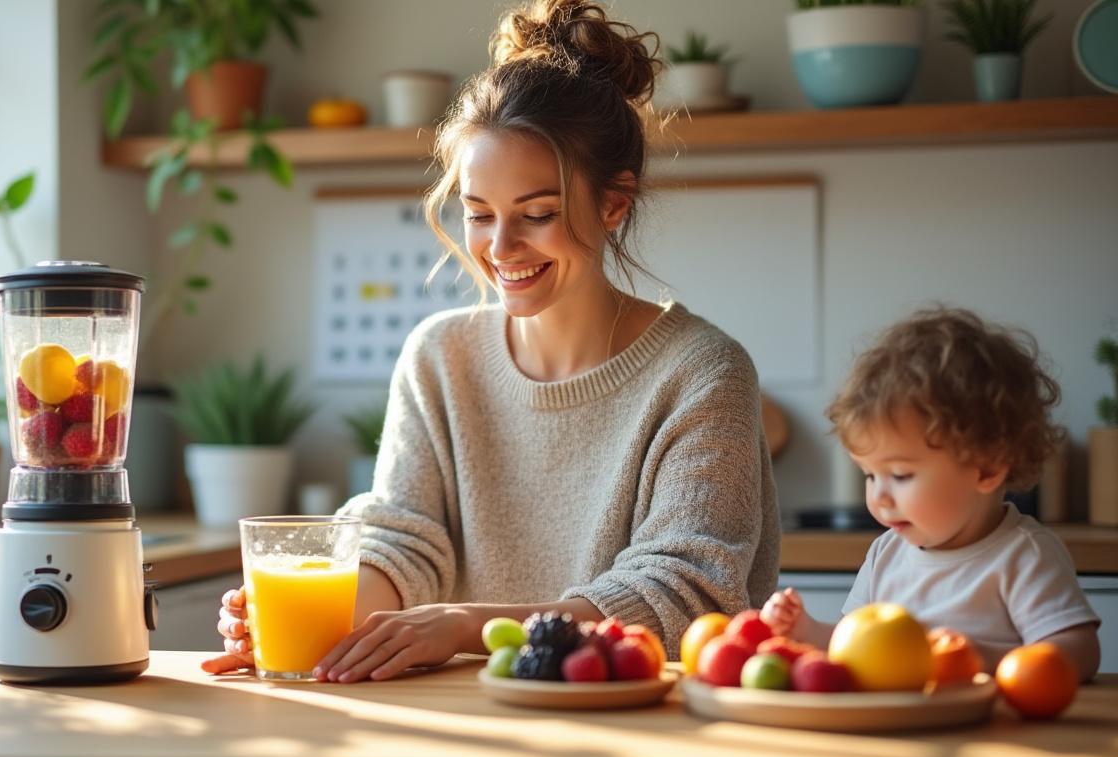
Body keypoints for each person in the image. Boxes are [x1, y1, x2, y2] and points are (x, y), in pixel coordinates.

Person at [205, 0, 780, 683]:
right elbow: (403, 541)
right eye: (478, 215)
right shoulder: (439, 358)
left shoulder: (702, 371)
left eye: (538, 214)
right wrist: (319, 619)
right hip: (471, 723)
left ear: (614, 204)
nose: (501, 248)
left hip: (642, 728)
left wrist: (465, 625)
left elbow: (684, 594)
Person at [762, 307, 1101, 680]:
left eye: (901, 475)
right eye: (870, 475)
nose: (879, 497)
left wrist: (979, 657)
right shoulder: (886, 554)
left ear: (986, 468)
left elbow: (1079, 652)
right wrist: (807, 631)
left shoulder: (1023, 555)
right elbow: (854, 646)